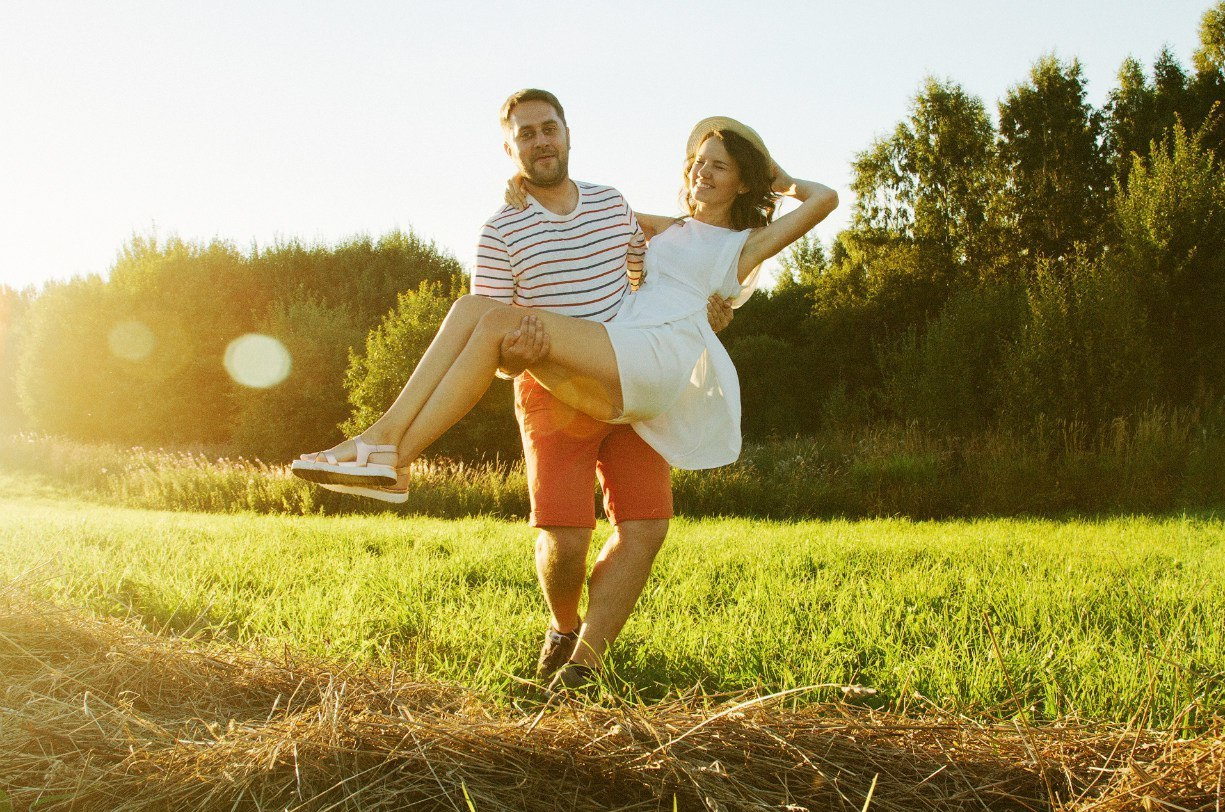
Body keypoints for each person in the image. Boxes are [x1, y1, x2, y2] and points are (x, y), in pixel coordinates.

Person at [292, 99, 838, 688]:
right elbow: (619, 243)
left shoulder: (743, 243)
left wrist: (775, 177)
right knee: (479, 313)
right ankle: (391, 460)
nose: (703, 172)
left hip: (646, 357)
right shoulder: (658, 227)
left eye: (721, 166)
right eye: (698, 162)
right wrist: (522, 185)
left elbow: (823, 200)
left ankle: (387, 453)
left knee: (480, 314)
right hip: (607, 361)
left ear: (744, 180)